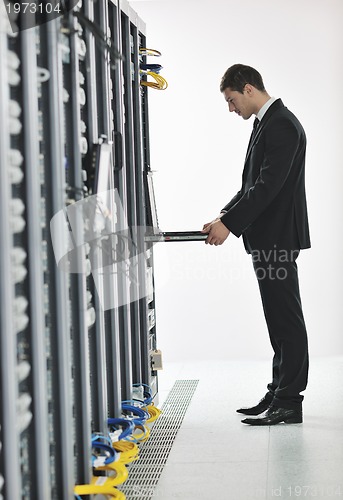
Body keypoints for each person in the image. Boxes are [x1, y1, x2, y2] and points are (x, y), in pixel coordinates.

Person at [202, 64, 310, 426]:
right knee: (277, 320)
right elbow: (252, 184)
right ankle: (279, 390)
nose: (231, 109)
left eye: (231, 101)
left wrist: (229, 226)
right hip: (269, 237)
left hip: (278, 238)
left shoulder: (281, 123)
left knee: (286, 320)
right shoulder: (267, 122)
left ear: (248, 89)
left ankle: (289, 402)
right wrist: (224, 214)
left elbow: (267, 188)